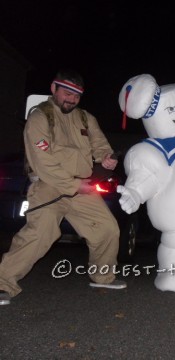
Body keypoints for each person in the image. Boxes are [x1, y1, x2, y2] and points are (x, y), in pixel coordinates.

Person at [0, 69, 126, 306]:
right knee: (40, 234)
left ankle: (102, 276)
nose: (71, 99)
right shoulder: (39, 118)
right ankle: (2, 283)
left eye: (76, 96)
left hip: (83, 188)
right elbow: (42, 161)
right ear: (53, 89)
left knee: (108, 229)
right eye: (67, 93)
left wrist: (107, 157)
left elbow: (100, 146)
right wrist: (74, 185)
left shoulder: (86, 118)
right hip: (50, 186)